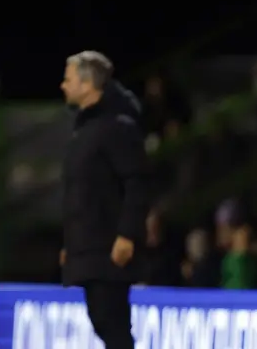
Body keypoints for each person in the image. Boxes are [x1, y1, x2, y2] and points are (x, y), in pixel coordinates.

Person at [60, 51, 149, 348]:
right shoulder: (85, 129)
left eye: (68, 79)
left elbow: (137, 182)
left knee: (112, 325)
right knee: (105, 324)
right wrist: (71, 246)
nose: (63, 85)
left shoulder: (115, 127)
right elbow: (82, 194)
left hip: (108, 249)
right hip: (89, 248)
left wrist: (127, 234)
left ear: (88, 85)